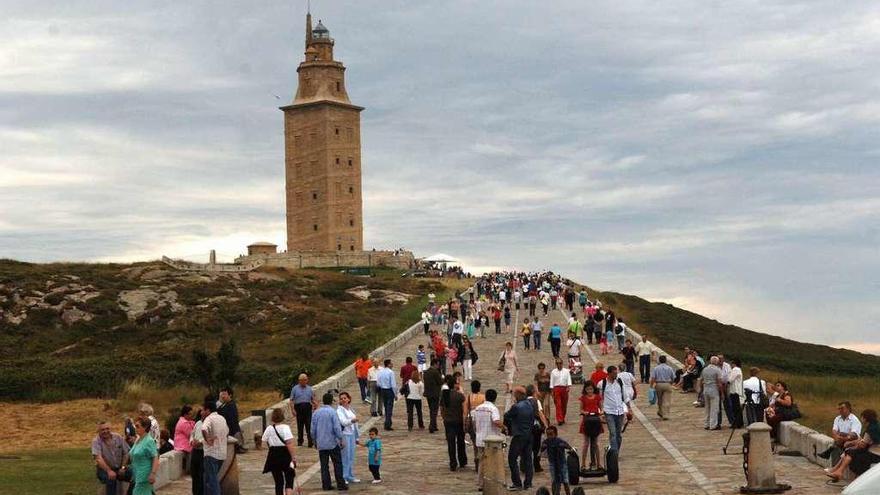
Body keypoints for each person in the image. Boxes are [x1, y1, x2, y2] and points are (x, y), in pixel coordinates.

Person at [824, 409, 880, 481]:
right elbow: (865, 441)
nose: (861, 420)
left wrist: (853, 443)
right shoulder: (875, 426)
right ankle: (837, 470)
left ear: (865, 418)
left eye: (862, 418)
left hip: (874, 454)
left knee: (851, 454)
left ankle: (839, 472)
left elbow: (863, 445)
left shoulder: (871, 429)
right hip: (874, 452)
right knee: (850, 452)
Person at [310, 392, 348, 491]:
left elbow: (312, 430)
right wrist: (341, 439)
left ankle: (326, 485)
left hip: (321, 443)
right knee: (337, 463)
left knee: (324, 465)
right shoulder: (332, 412)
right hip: (332, 442)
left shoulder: (316, 413)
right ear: (331, 401)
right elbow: (336, 428)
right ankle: (341, 484)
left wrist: (314, 441)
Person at [504, 386, 536, 490]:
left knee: (512, 458)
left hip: (519, 435)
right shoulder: (530, 405)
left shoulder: (516, 407)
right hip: (529, 435)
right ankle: (528, 482)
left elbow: (507, 415)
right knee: (528, 459)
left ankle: (517, 483)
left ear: (518, 395)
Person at [471, 388, 502, 491]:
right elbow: (496, 421)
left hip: (480, 439)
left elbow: (474, 422)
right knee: (492, 462)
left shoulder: (478, 408)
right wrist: (504, 427)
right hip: (490, 439)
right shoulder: (493, 409)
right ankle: (490, 482)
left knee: (481, 462)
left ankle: (481, 483)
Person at [262, 408, 297, 495]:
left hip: (273, 454)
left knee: (278, 481)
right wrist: (293, 457)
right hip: (285, 454)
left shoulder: (269, 428)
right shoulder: (285, 428)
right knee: (289, 476)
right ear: (282, 417)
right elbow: (289, 443)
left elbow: (263, 441)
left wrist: (271, 445)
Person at [92, 421, 131, 495]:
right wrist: (109, 471)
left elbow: (126, 453)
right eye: (102, 430)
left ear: (110, 429)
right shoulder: (96, 441)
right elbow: (98, 458)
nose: (105, 431)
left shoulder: (118, 437)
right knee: (111, 479)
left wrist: (123, 467)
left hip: (119, 468)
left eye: (107, 429)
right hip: (104, 470)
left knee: (133, 475)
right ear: (98, 431)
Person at [600, 366, 631, 452]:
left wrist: (629, 408)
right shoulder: (602, 383)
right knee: (613, 433)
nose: (616, 375)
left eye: (616, 373)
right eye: (614, 373)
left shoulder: (619, 382)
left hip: (620, 412)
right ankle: (614, 453)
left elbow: (625, 396)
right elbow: (599, 397)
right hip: (609, 411)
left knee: (618, 434)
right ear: (609, 374)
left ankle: (616, 450)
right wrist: (600, 410)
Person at [201, 399, 229, 495]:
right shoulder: (222, 418)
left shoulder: (209, 418)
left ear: (208, 410)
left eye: (203, 410)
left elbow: (204, 428)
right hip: (222, 453)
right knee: (208, 479)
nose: (202, 412)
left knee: (212, 480)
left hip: (211, 453)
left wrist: (207, 439)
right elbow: (227, 432)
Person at [441, 374, 468, 471]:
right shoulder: (460, 396)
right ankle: (462, 460)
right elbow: (464, 410)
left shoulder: (444, 394)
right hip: (458, 421)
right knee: (461, 442)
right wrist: (465, 420)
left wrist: (444, 417)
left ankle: (453, 463)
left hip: (448, 421)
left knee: (451, 443)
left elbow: (442, 408)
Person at [335, 391, 360, 484]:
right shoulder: (339, 410)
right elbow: (343, 422)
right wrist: (352, 421)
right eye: (341, 399)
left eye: (345, 398)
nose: (343, 400)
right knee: (345, 456)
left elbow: (356, 424)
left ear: (348, 399)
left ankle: (350, 475)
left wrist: (357, 437)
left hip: (352, 434)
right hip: (344, 435)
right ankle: (343, 476)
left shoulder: (351, 409)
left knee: (351, 456)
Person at [130, 417, 160, 495]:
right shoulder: (138, 439)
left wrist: (153, 473)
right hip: (137, 474)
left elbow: (155, 457)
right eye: (135, 426)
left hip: (144, 475)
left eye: (137, 426)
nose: (135, 428)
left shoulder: (149, 441)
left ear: (145, 427)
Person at [540, 426, 572, 495]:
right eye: (548, 435)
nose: (549, 436)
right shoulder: (547, 442)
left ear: (556, 434)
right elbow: (541, 449)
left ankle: (568, 493)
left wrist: (565, 446)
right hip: (552, 463)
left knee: (565, 481)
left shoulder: (559, 440)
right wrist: (543, 447)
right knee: (554, 480)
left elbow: (568, 446)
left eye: (551, 434)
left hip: (562, 463)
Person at [578, 382, 604, 470]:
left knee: (595, 444)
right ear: (585, 390)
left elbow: (601, 408)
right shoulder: (583, 398)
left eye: (591, 389)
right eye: (588, 389)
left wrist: (601, 413)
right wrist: (584, 412)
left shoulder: (597, 397)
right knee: (586, 443)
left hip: (596, 420)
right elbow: (581, 409)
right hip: (587, 421)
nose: (589, 391)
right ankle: (583, 464)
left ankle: (599, 464)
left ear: (594, 389)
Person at [289, 373, 316, 447]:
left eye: (306, 380)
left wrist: (315, 405)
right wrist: (293, 410)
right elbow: (291, 400)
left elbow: (312, 399)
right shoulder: (295, 389)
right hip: (299, 408)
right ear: (299, 381)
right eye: (302, 380)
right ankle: (300, 441)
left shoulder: (309, 388)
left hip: (307, 407)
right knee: (300, 426)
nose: (304, 381)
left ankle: (310, 442)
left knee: (309, 425)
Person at [217, 387, 245, 454]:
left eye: (224, 394)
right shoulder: (224, 404)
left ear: (230, 395)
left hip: (231, 431)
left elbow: (232, 420)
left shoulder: (231, 405)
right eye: (221, 394)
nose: (222, 396)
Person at [700, 356, 724, 430]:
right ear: (716, 362)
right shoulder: (717, 370)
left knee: (707, 408)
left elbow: (701, 380)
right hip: (714, 389)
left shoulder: (705, 369)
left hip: (706, 389)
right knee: (714, 408)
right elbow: (719, 382)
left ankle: (706, 424)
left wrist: (701, 390)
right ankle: (713, 425)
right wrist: (722, 392)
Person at [650, 355, 675, 420]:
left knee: (660, 399)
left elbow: (653, 378)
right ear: (666, 360)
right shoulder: (669, 368)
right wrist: (671, 383)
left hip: (658, 384)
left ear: (659, 360)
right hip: (667, 384)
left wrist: (651, 386)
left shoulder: (656, 368)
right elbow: (673, 377)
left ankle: (660, 411)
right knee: (666, 400)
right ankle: (665, 414)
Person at [376, 359, 397, 431]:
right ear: (388, 364)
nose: (392, 364)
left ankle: (387, 422)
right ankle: (387, 424)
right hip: (389, 390)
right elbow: (393, 384)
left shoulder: (380, 371)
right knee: (389, 408)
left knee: (385, 407)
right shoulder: (391, 372)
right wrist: (395, 394)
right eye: (391, 363)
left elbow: (378, 382)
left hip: (383, 390)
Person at [423, 358, 444, 433]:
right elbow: (440, 381)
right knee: (434, 410)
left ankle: (434, 425)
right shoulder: (435, 372)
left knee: (431, 410)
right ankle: (431, 426)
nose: (438, 366)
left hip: (428, 393)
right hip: (435, 393)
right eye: (438, 364)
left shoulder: (426, 372)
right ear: (435, 364)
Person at [550, 358, 572, 426]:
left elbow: (568, 379)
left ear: (562, 363)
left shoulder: (566, 371)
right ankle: (559, 419)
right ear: (556, 364)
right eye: (557, 363)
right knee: (558, 404)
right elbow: (552, 381)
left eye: (560, 363)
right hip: (556, 389)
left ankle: (562, 417)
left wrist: (568, 386)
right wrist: (552, 390)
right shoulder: (553, 372)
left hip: (564, 388)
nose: (559, 365)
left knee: (564, 405)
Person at [189, 408, 206, 495]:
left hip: (203, 451)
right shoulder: (198, 423)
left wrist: (200, 442)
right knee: (194, 474)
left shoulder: (209, 423)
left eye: (204, 410)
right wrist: (192, 441)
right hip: (195, 451)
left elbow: (210, 436)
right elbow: (192, 434)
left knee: (201, 475)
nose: (202, 412)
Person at [727, 358, 744, 428]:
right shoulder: (738, 369)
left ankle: (737, 423)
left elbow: (730, 379)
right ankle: (739, 422)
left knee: (735, 408)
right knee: (737, 408)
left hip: (734, 391)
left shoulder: (735, 369)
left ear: (734, 364)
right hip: (737, 390)